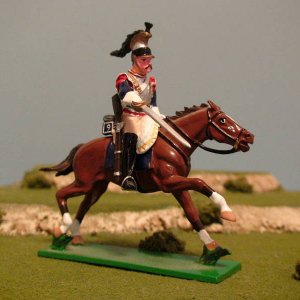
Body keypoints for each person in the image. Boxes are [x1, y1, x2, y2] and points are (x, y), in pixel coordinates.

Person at [110, 22, 164, 190]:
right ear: (135, 59)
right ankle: (128, 174)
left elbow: (153, 104)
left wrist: (159, 115)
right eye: (144, 60)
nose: (148, 63)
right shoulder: (123, 77)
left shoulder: (152, 81)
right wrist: (135, 100)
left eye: (149, 60)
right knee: (132, 132)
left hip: (147, 115)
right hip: (130, 114)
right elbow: (124, 94)